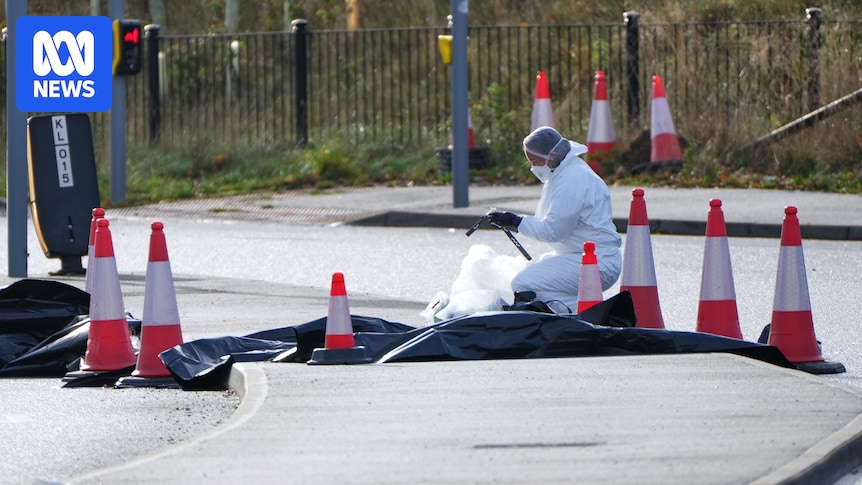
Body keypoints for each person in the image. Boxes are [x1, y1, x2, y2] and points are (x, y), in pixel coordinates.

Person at [484, 125, 622, 313]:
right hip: (584, 255)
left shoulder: (571, 179)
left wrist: (515, 222)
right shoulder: (564, 172)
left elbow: (553, 231)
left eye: (534, 160)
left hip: (597, 262)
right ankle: (582, 311)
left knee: (524, 283)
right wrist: (513, 222)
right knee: (528, 272)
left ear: (551, 153)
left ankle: (590, 313)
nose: (533, 167)